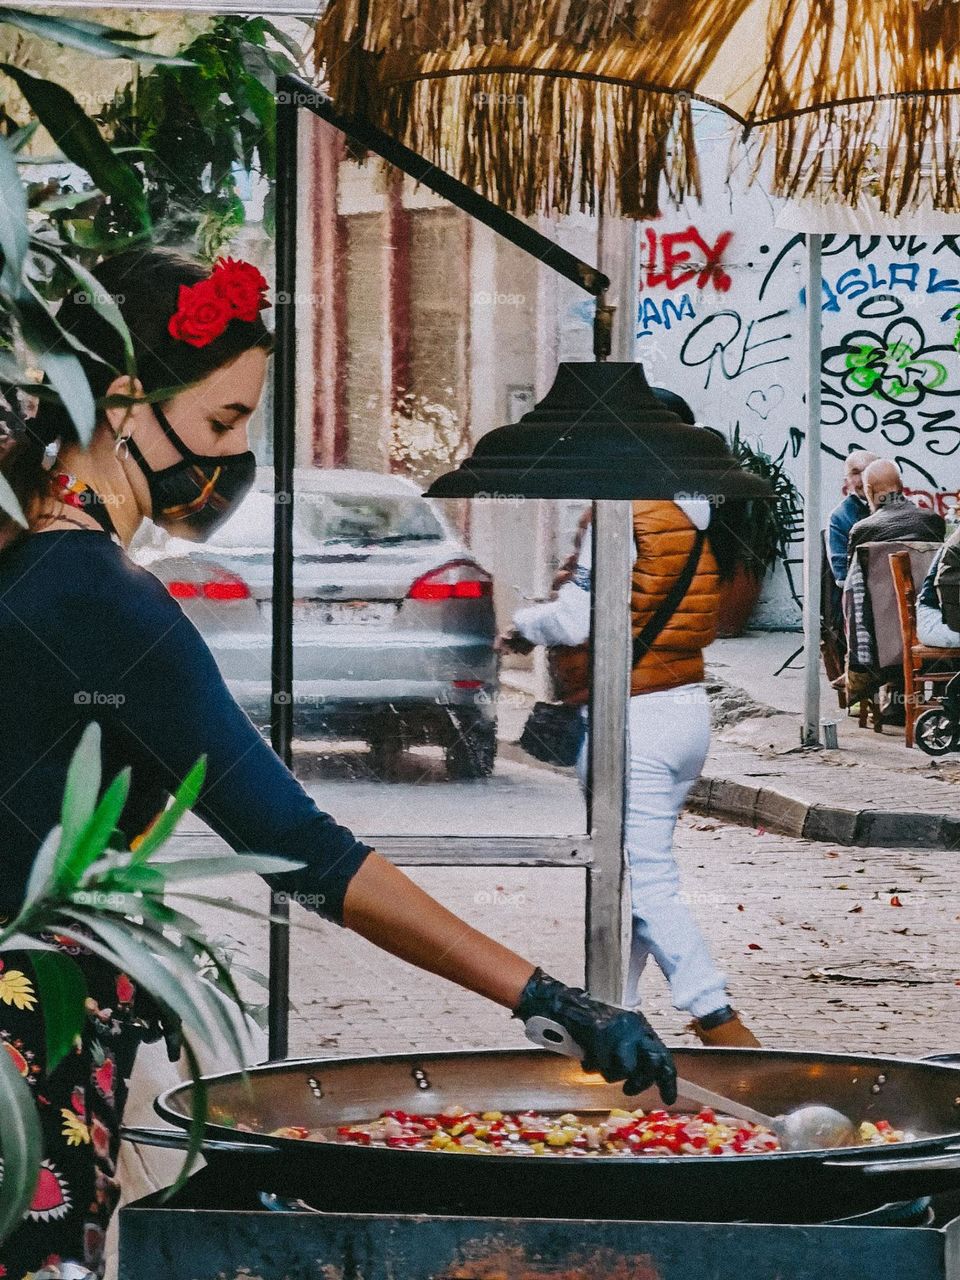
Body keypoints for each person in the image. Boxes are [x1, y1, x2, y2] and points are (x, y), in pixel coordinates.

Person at [0, 249, 676, 1278]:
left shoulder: (31, 556)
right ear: (125, 402)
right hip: (22, 1062)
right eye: (223, 423)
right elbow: (304, 849)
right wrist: (551, 996)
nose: (234, 459)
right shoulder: (100, 598)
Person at [500, 423, 759, 1050]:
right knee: (633, 869)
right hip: (686, 709)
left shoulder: (623, 516)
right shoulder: (694, 515)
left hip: (631, 716)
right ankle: (614, 1012)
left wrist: (523, 620)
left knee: (645, 878)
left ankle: (715, 1014)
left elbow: (578, 616)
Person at [846, 459, 945, 565]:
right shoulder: (934, 520)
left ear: (869, 491)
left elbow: (853, 577)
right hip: (925, 581)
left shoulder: (861, 530)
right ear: (901, 485)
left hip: (882, 581)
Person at [827, 450, 878, 586]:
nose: (863, 478)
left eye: (869, 470)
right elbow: (842, 575)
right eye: (856, 473)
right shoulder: (840, 517)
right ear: (847, 481)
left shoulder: (901, 507)